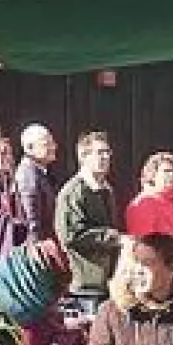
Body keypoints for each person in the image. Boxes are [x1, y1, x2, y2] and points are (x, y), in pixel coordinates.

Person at [55, 131, 126, 312]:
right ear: (83, 156)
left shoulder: (107, 190)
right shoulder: (73, 191)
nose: (105, 157)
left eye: (107, 152)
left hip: (109, 282)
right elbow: (71, 235)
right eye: (99, 152)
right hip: (85, 285)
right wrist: (114, 238)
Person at [14, 123, 59, 244]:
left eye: (53, 143)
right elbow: (31, 219)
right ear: (30, 148)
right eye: (47, 144)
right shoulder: (28, 174)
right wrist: (38, 249)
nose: (53, 147)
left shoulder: (40, 172)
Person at [125, 151, 173, 238]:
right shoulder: (144, 203)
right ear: (152, 175)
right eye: (166, 171)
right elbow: (145, 241)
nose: (171, 175)